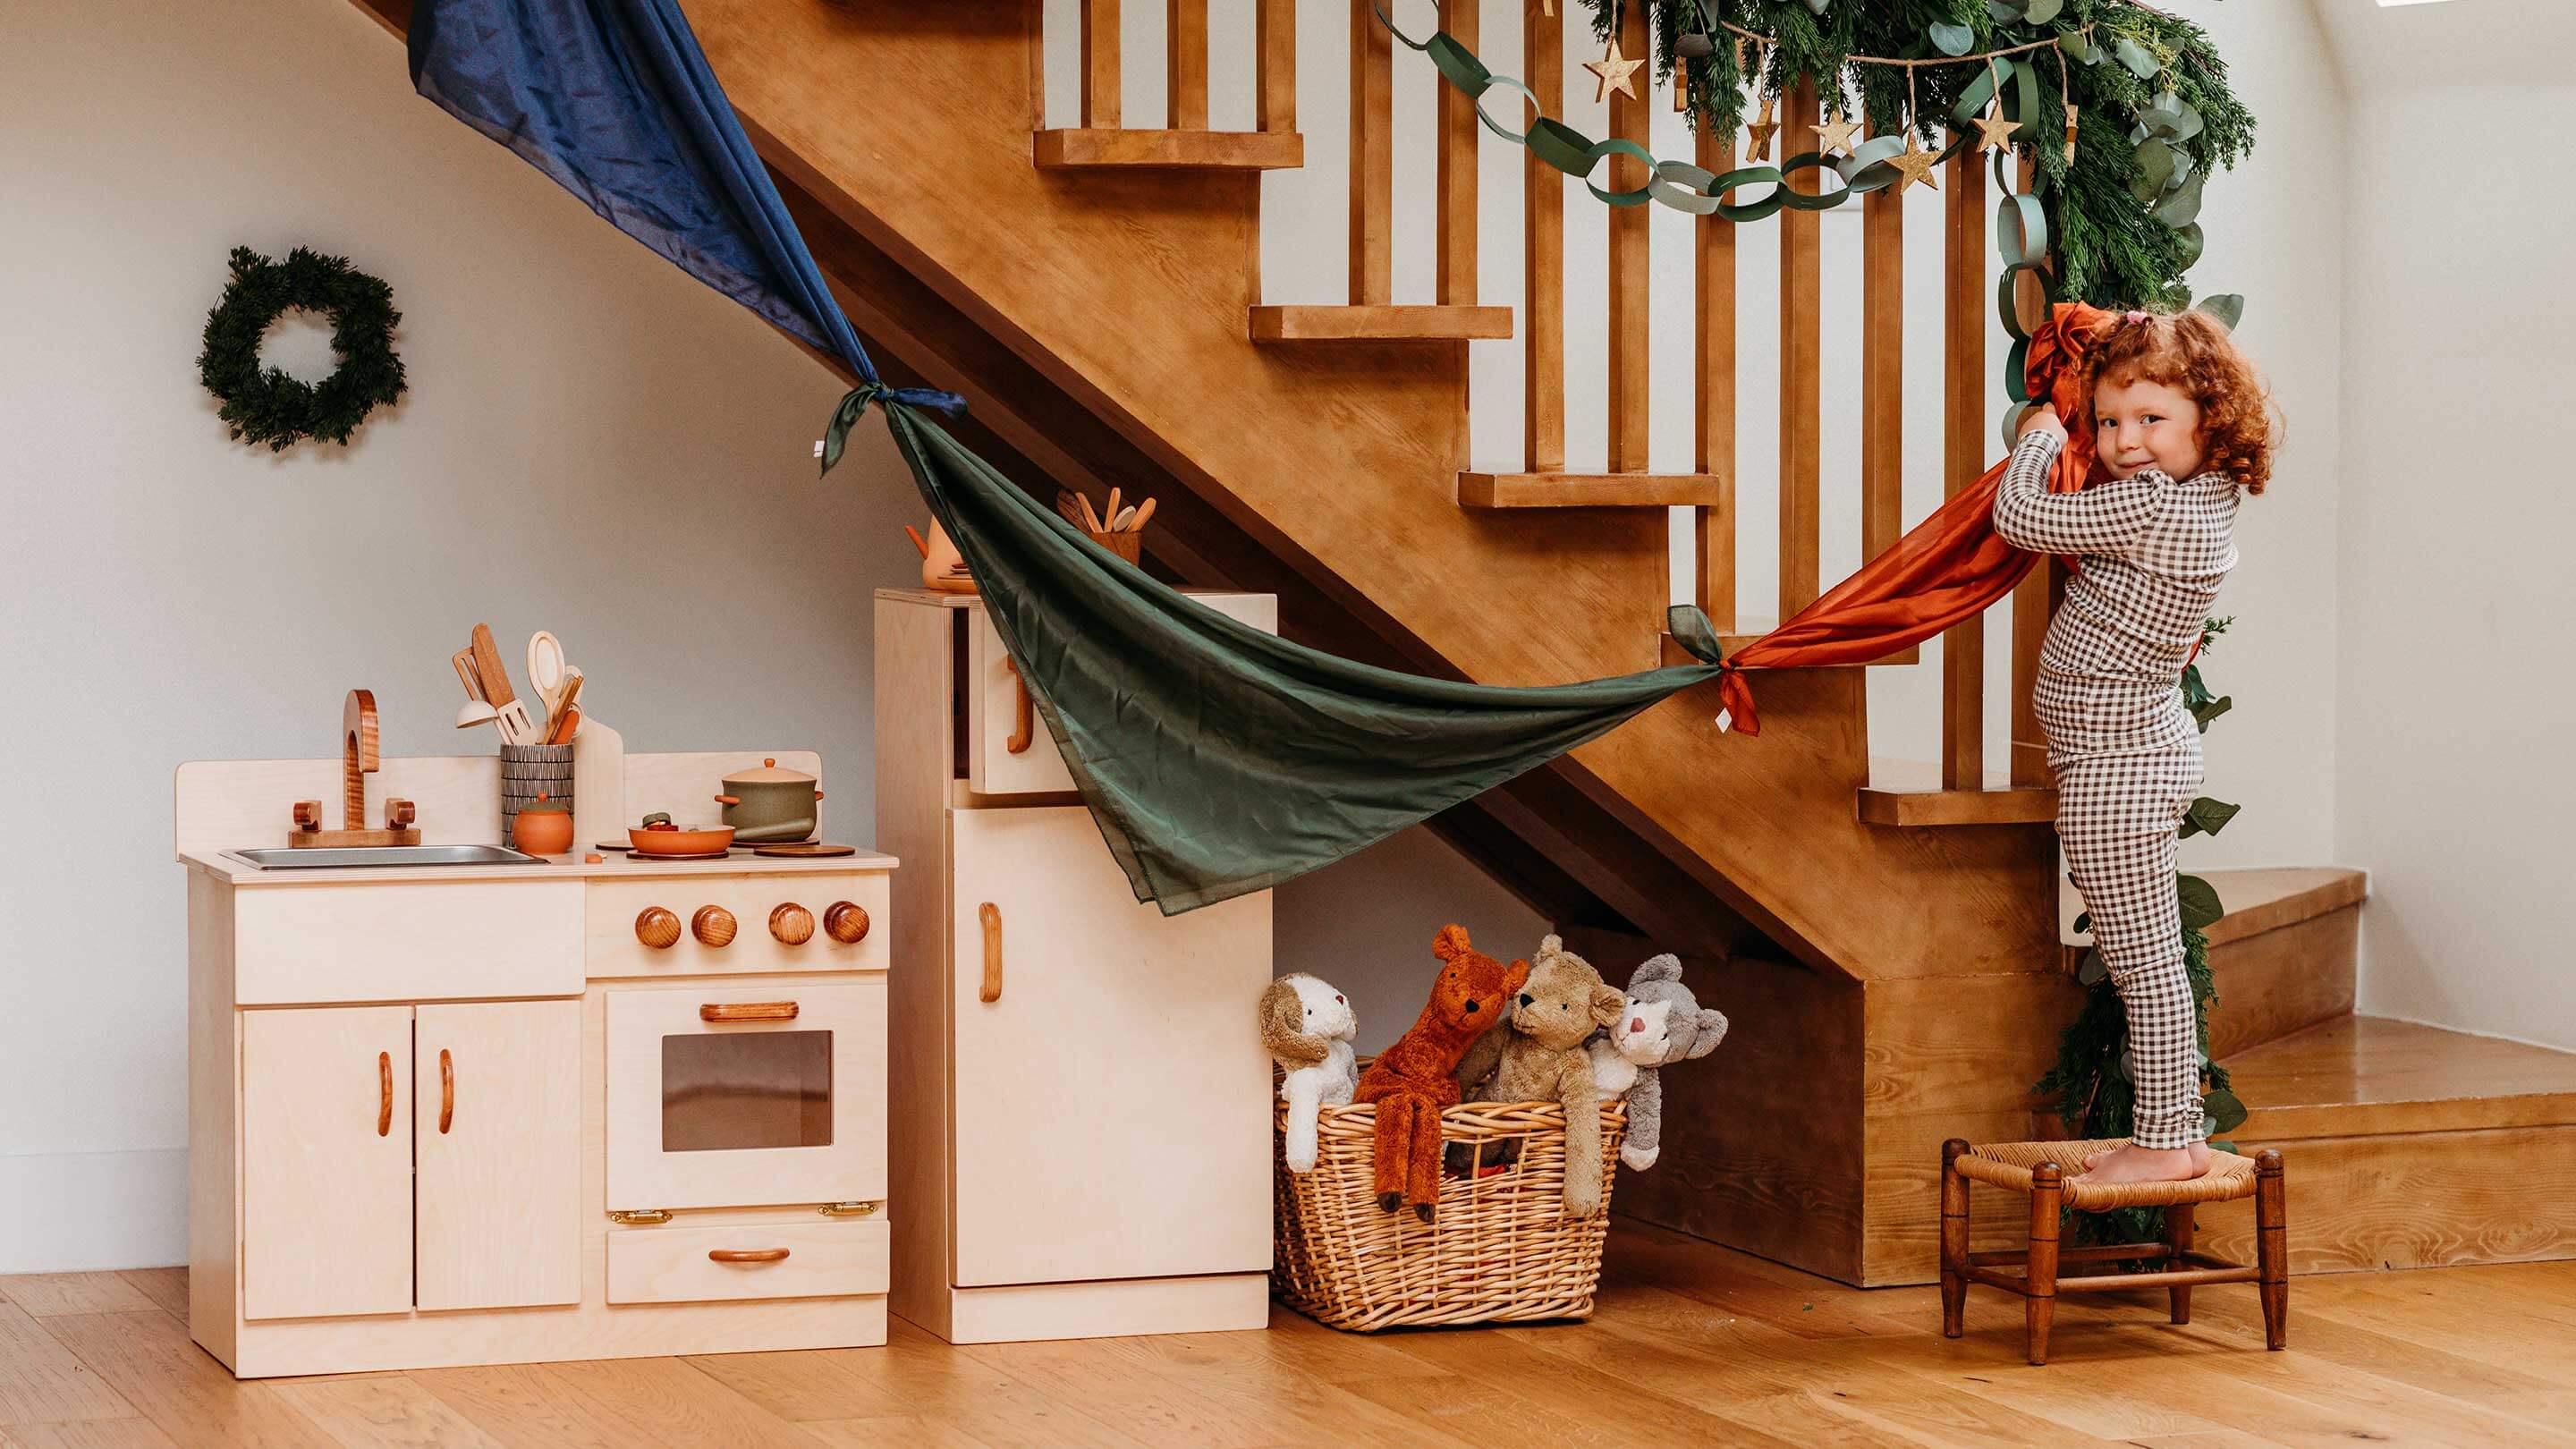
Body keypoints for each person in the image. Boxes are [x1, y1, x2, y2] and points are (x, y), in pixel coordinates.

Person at [1993, 309, 2276, 1186]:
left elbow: (2023, 519)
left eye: (2151, 420)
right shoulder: (2202, 492)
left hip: (2118, 766)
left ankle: (2160, 1143)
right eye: (2108, 421)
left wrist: (2042, 436)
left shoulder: (2153, 505)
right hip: (2133, 749)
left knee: (2142, 963)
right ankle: (2179, 1132)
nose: (2124, 442)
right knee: (2148, 956)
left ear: (2209, 418)